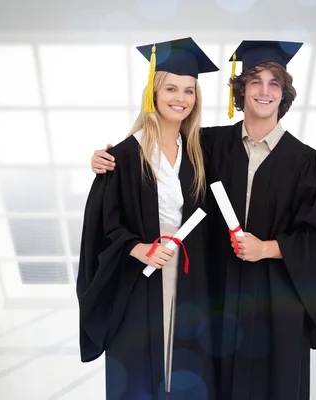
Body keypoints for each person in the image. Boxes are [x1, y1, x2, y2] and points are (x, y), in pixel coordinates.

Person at [90, 40, 316, 400]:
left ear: (284, 94)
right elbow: (157, 148)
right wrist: (105, 159)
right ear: (239, 91)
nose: (264, 91)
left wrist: (269, 248)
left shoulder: (311, 165)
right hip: (216, 301)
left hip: (277, 305)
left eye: (274, 83)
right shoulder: (206, 146)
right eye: (255, 81)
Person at [77, 37, 219, 400]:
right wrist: (139, 248)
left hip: (190, 274)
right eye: (171, 88)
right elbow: (103, 226)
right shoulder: (123, 156)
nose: (181, 98)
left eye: (189, 90)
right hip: (140, 277)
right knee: (141, 365)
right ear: (153, 93)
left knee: (187, 362)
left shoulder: (200, 151)